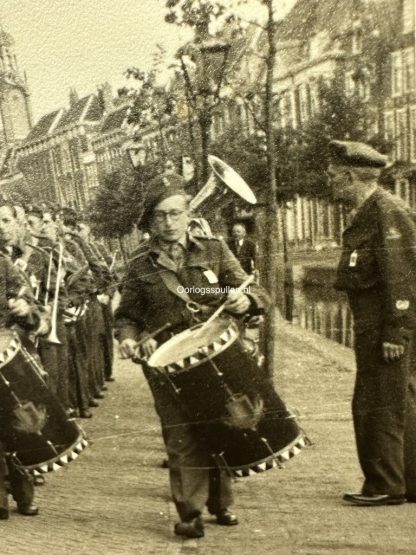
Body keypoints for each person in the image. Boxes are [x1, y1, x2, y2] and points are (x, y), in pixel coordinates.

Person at [114, 185, 270, 538]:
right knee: (180, 434)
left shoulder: (214, 250)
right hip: (166, 361)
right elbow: (127, 315)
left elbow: (254, 290)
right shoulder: (139, 264)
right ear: (150, 221)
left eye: (175, 213)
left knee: (222, 423)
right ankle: (190, 510)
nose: (169, 222)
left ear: (187, 215)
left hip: (216, 355)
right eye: (160, 215)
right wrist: (126, 338)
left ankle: (221, 501)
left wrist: (247, 303)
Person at [328, 139, 416, 506]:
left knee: (377, 404)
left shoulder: (386, 211)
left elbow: (401, 275)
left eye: (333, 176)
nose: (329, 182)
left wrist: (396, 331)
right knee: (398, 403)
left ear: (350, 176)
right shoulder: (369, 211)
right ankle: (404, 482)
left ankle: (384, 485)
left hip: (385, 328)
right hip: (374, 327)